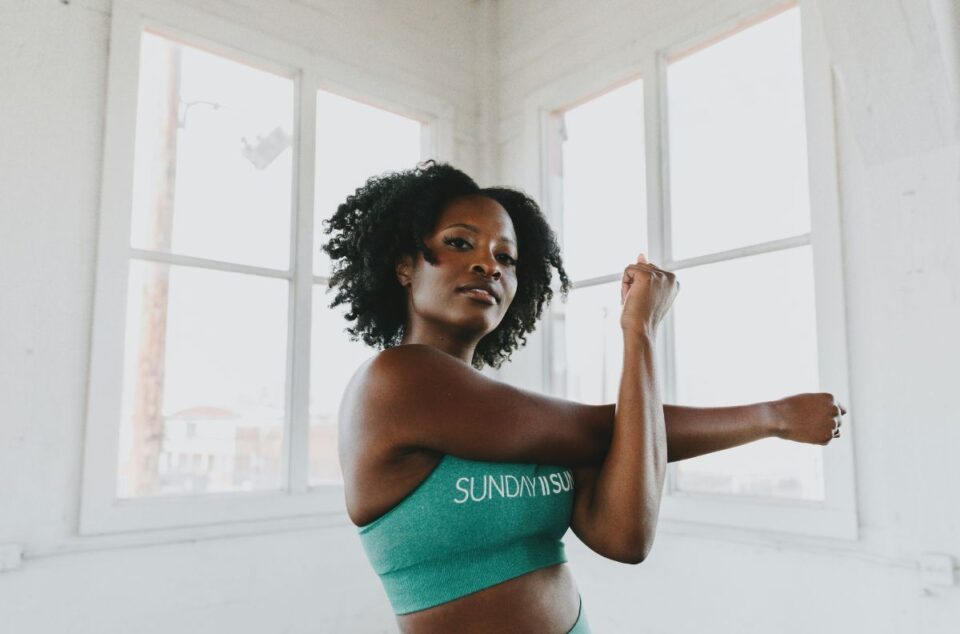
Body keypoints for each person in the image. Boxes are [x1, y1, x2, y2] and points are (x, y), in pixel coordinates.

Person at [321, 160, 846, 633]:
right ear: (405, 265)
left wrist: (642, 340)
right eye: (461, 243)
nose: (490, 265)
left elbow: (626, 537)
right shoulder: (398, 381)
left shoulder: (513, 415)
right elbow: (604, 430)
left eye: (506, 257)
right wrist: (643, 332)